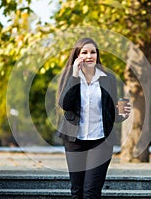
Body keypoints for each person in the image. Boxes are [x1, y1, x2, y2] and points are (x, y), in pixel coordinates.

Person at [56, 37, 130, 199]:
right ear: (77, 55)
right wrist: (75, 74)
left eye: (93, 52)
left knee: (91, 192)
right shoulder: (70, 76)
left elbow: (111, 113)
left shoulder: (108, 78)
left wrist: (122, 115)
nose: (89, 56)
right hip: (74, 141)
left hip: (101, 141)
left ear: (97, 55)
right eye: (84, 52)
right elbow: (65, 104)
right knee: (77, 191)